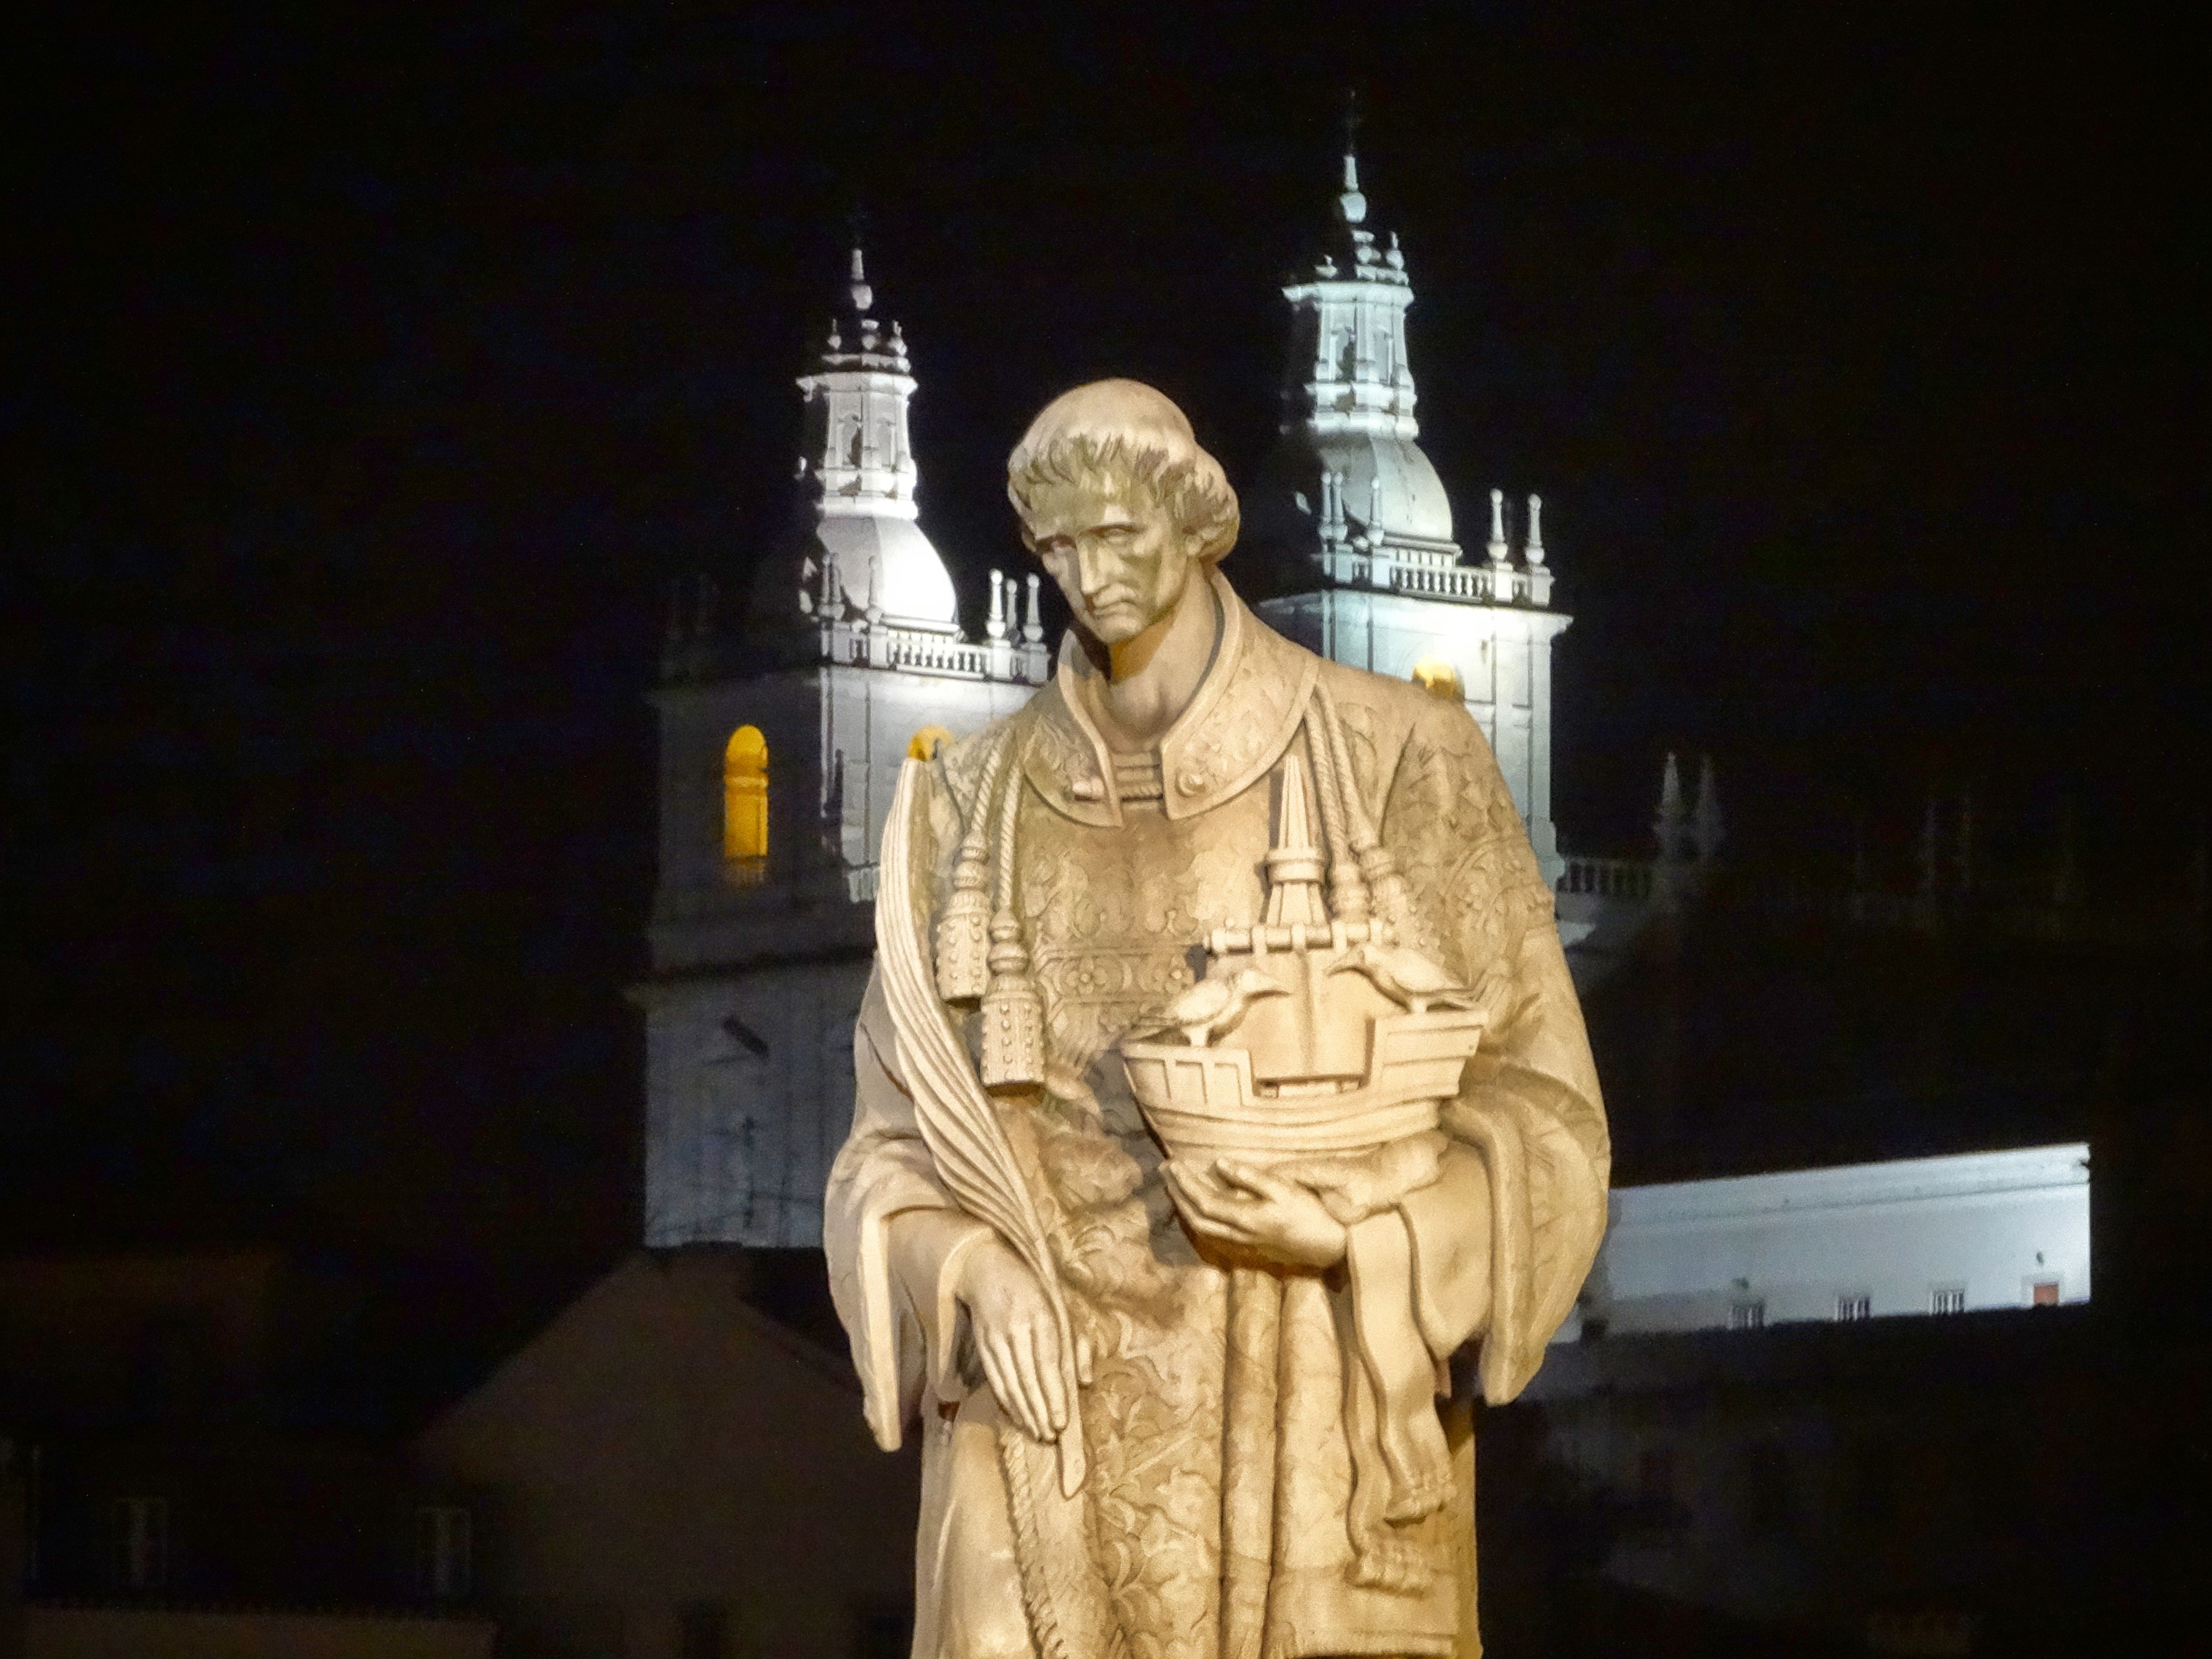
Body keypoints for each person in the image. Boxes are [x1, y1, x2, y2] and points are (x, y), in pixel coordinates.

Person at [826, 379, 1607, 1659]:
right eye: (1057, 547)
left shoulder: (1396, 757)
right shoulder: (964, 807)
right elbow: (887, 1151)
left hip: (1299, 1416)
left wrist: (1371, 1237)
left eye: (1119, 536)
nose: (1088, 576)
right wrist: (960, 1271)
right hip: (1039, 1450)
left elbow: (1544, 1114)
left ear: (1196, 527)